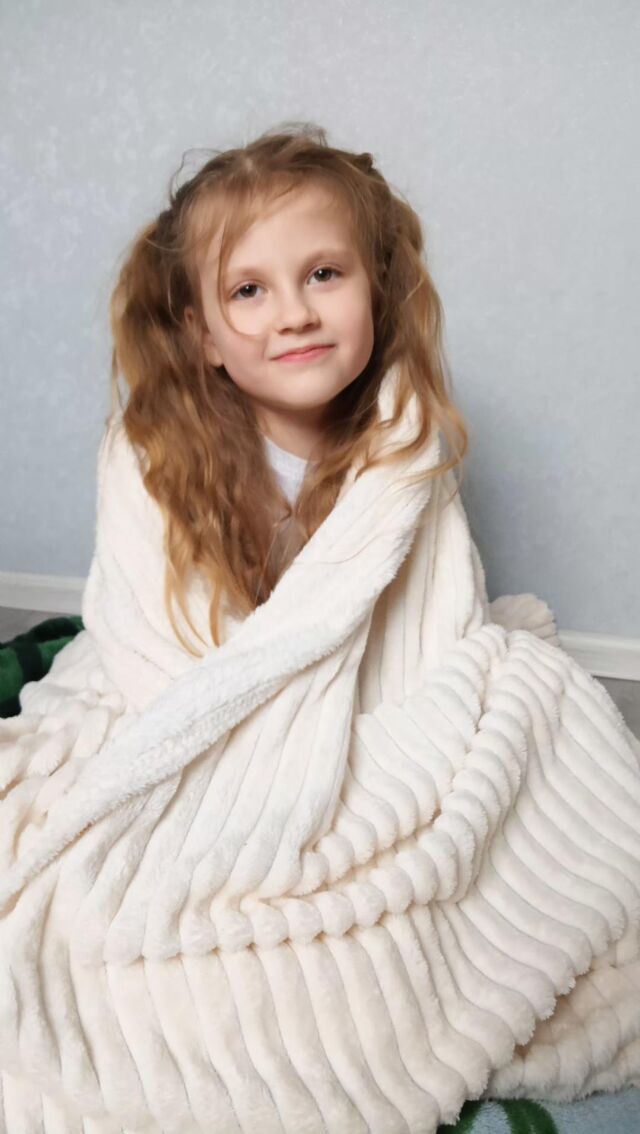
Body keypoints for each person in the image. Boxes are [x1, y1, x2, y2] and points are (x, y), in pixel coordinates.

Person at [1, 122, 639, 1134]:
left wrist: (362, 752)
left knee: (534, 707)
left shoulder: (405, 439)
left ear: (376, 290)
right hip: (197, 692)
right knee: (102, 880)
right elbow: (159, 648)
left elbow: (430, 629)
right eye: (248, 290)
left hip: (369, 697)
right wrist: (265, 765)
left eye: (324, 275)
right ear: (202, 333)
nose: (293, 313)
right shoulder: (152, 450)